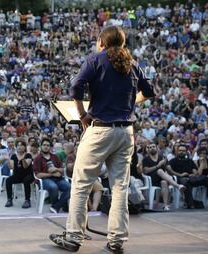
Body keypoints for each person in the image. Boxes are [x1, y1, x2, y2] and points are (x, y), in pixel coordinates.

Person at [50, 26, 156, 253]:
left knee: (81, 185)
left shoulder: (95, 60)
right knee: (120, 188)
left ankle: (73, 237)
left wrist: (82, 115)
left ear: (101, 41)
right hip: (125, 132)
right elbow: (149, 92)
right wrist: (128, 104)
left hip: (100, 130)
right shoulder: (133, 63)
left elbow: (75, 87)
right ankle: (117, 241)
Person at [142, 142, 185, 211]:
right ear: (148, 150)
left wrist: (167, 165)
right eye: (150, 147)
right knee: (159, 170)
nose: (152, 148)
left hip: (162, 178)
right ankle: (177, 186)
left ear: (156, 148)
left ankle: (165, 206)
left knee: (164, 182)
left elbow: (169, 169)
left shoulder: (162, 157)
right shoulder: (146, 159)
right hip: (152, 180)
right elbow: (146, 171)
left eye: (153, 146)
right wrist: (158, 165)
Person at [33, 138, 70, 213]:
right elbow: (38, 175)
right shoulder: (38, 158)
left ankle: (56, 206)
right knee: (53, 187)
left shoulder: (55, 157)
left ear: (50, 147)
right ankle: (58, 205)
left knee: (70, 187)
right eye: (44, 145)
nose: (46, 147)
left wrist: (56, 169)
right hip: (44, 180)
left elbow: (62, 169)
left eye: (48, 145)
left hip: (58, 179)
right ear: (41, 146)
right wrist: (51, 174)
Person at [4, 139, 34, 208]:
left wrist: (23, 158)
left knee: (26, 180)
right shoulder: (14, 156)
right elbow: (11, 167)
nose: (20, 147)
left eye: (21, 145)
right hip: (17, 175)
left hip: (28, 175)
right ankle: (9, 199)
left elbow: (25, 166)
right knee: (8, 180)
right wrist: (8, 159)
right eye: (18, 145)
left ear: (25, 147)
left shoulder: (28, 155)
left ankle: (27, 200)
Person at [166, 144, 198, 208]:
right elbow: (168, 169)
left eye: (183, 151)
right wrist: (180, 175)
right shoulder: (173, 160)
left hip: (191, 178)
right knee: (186, 182)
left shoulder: (189, 161)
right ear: (177, 151)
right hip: (179, 179)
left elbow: (195, 170)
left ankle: (190, 203)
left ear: (186, 152)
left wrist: (193, 174)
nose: (181, 152)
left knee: (205, 179)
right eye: (180, 150)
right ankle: (190, 204)